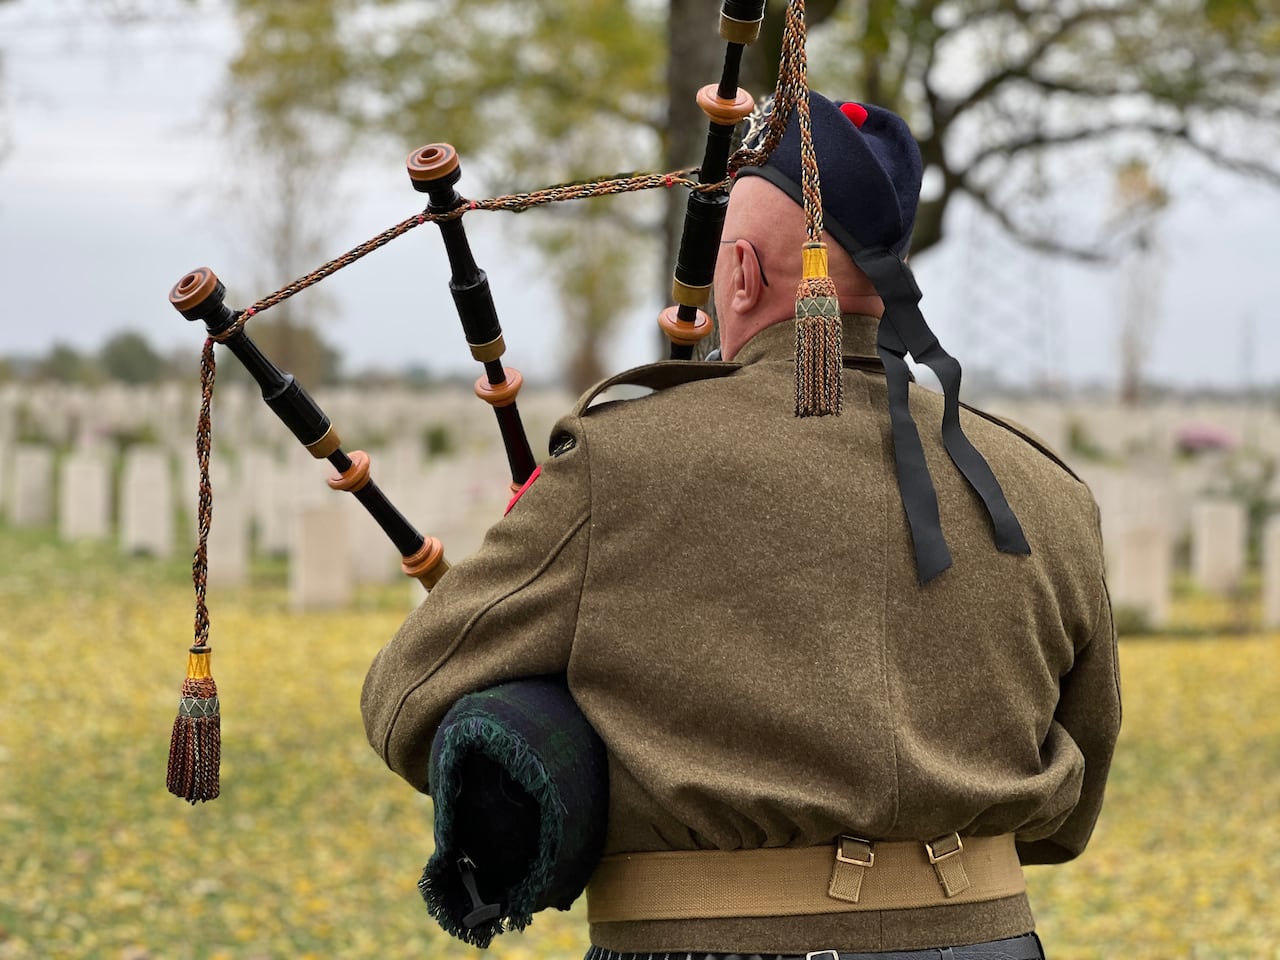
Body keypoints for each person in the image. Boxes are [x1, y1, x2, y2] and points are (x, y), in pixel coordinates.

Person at [361, 91, 1121, 960]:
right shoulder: (1049, 492)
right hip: (986, 940)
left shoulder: (627, 459)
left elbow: (408, 698)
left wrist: (583, 722)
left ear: (743, 275)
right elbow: (1069, 816)